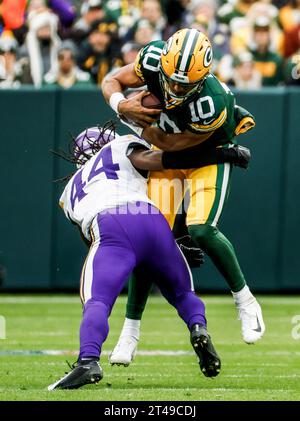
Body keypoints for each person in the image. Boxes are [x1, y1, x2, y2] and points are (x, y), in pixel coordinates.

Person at [101, 28, 265, 366]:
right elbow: (111, 82)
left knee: (202, 229)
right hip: (168, 156)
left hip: (207, 155)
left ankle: (245, 300)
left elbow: (173, 146)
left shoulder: (212, 101)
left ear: (202, 77)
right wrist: (122, 105)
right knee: (148, 241)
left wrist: (135, 122)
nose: (174, 88)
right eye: (170, 81)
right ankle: (130, 331)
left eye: (183, 85)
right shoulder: (152, 58)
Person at [47, 122, 250, 390]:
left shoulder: (69, 190)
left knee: (97, 301)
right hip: (152, 219)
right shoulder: (122, 145)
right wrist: (219, 154)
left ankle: (88, 360)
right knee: (182, 293)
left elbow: (91, 239)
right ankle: (198, 328)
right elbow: (164, 161)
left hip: (109, 224)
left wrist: (125, 253)